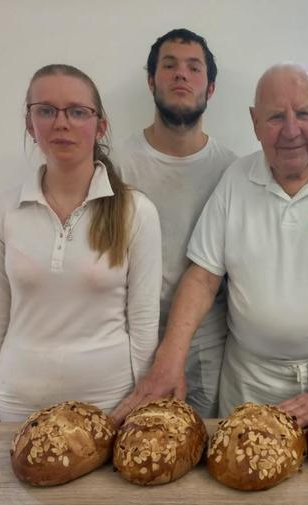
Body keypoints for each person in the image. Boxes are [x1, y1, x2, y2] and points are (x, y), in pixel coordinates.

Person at [115, 63, 308, 428]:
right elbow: (202, 278)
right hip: (248, 385)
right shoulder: (236, 179)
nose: (291, 130)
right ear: (255, 122)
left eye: (304, 114)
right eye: (275, 117)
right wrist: (169, 360)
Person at [0, 64, 162, 422]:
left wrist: (143, 409)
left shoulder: (137, 212)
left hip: (109, 407)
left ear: (100, 126)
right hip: (19, 406)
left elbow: (143, 326)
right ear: (30, 125)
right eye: (46, 111)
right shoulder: (0, 210)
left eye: (77, 112)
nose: (61, 123)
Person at [112, 29, 236, 422]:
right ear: (151, 81)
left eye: (194, 68)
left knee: (198, 443)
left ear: (210, 88)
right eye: (169, 66)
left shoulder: (231, 170)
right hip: (129, 338)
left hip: (206, 342)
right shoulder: (116, 165)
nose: (181, 74)